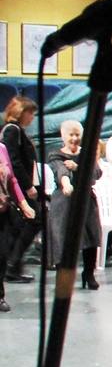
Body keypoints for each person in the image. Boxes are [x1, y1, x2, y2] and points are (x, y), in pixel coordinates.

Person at [46, 120, 104, 290]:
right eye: (70, 135)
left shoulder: (87, 153)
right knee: (62, 238)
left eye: (77, 135)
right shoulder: (55, 154)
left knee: (91, 236)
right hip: (64, 200)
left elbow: (96, 173)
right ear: (63, 136)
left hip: (85, 199)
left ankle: (89, 273)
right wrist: (66, 184)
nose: (74, 138)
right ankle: (63, 277)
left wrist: (78, 167)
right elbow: (61, 171)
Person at [2, 96, 42, 283]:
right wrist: (27, 186)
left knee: (22, 226)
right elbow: (13, 163)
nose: (32, 117)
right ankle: (12, 265)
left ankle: (13, 266)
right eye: (30, 113)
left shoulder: (17, 131)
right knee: (32, 221)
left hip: (20, 188)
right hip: (17, 190)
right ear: (21, 112)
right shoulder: (12, 130)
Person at [0, 139, 36, 312]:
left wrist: (24, 204)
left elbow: (12, 179)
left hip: (3, 211)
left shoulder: (2, 148)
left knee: (2, 254)